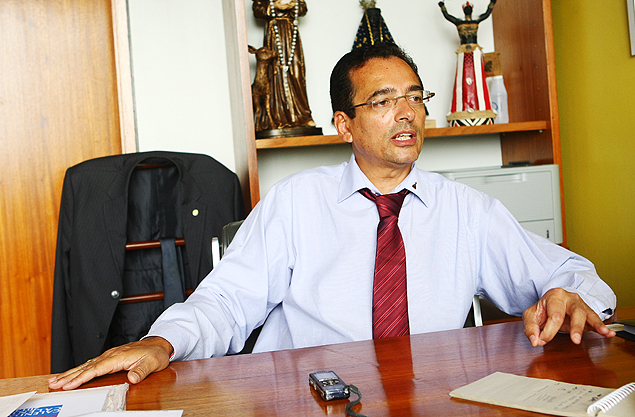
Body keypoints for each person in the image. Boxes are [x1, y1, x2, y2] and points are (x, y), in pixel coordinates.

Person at [49, 43, 616, 391]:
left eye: (416, 97)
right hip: (305, 399)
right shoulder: (295, 203)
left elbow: (571, 273)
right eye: (384, 100)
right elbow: (227, 301)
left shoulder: (467, 210)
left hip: (431, 399)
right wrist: (163, 342)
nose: (408, 114)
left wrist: (570, 293)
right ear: (344, 125)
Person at [252, 0, 317, 132]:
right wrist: (274, 6)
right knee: (276, 72)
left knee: (296, 72)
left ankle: (302, 116)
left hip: (290, 33)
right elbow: (258, 10)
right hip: (274, 35)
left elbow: (303, 8)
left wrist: (293, 5)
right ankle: (276, 118)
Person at [438, 0, 497, 126]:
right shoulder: (461, 22)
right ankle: (461, 112)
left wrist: (492, 4)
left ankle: (481, 112)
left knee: (478, 79)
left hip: (475, 53)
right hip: (463, 54)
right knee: (462, 79)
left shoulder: (473, 21)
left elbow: (486, 14)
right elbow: (448, 17)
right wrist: (442, 7)